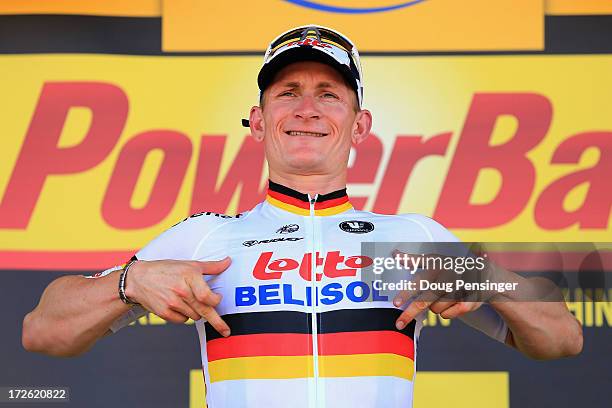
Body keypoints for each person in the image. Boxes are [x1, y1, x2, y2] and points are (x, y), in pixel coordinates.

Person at [22, 25, 583, 407]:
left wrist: (483, 278)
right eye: (287, 93)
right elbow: (43, 331)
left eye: (328, 94)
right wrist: (130, 281)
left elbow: (563, 340)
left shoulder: (410, 236)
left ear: (359, 124)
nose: (306, 109)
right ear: (258, 121)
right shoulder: (209, 236)